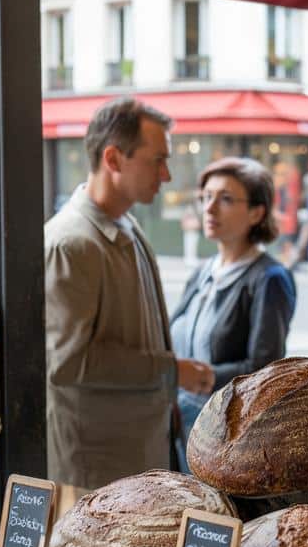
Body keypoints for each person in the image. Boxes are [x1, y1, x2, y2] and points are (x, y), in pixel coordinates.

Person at [45, 97, 213, 512]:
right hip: (94, 477)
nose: (167, 174)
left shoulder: (126, 226)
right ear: (113, 159)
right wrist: (171, 371)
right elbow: (69, 363)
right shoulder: (71, 243)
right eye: (157, 160)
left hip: (131, 464)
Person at [169, 157, 296, 469]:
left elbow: (265, 369)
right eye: (206, 197)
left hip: (226, 444)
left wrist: (206, 376)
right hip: (179, 432)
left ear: (257, 212)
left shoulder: (269, 278)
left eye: (225, 199)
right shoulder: (202, 271)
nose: (210, 209)